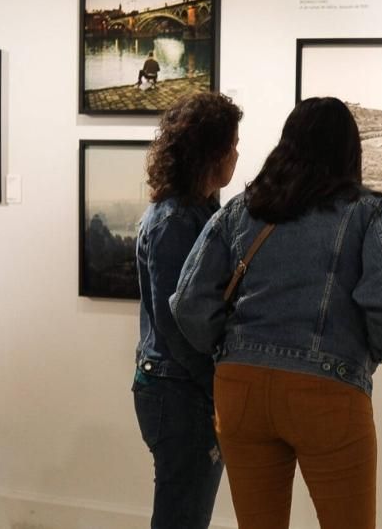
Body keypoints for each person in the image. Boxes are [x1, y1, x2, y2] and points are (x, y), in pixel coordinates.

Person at [170, 97, 382, 529]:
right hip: (326, 392)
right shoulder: (371, 213)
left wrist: (229, 350)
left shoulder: (240, 209)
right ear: (350, 151)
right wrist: (364, 356)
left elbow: (189, 300)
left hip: (240, 390)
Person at [133, 92, 243, 529]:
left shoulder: (196, 213)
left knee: (187, 512)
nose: (237, 153)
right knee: (182, 515)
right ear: (211, 154)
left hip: (182, 385)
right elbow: (177, 322)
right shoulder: (174, 222)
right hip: (177, 389)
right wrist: (217, 386)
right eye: (232, 145)